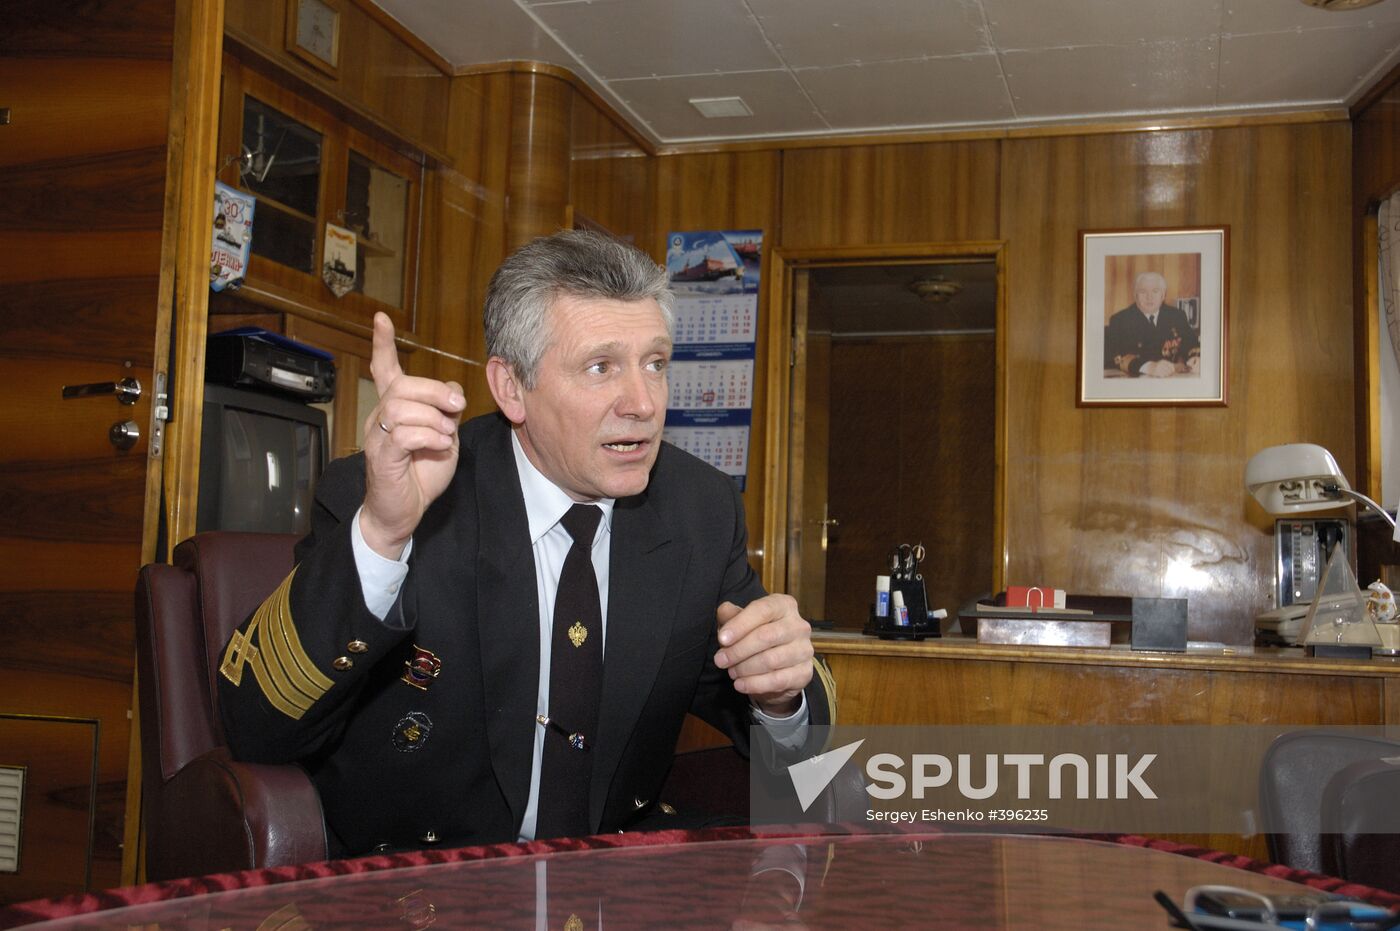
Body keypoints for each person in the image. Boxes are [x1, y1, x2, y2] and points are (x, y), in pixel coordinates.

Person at [217, 230, 831, 856]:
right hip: (428, 885)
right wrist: (382, 534)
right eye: (601, 367)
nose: (644, 403)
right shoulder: (402, 494)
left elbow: (794, 742)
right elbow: (257, 731)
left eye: (655, 364)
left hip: (612, 879)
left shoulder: (699, 509)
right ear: (512, 388)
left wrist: (782, 695)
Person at [1103, 271, 1200, 377]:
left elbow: (1192, 343)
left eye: (1155, 291)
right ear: (1135, 296)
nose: (1149, 297)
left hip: (1173, 378)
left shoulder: (1177, 316)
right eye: (1143, 292)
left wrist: (1195, 358)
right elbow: (1117, 357)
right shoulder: (1120, 320)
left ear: (1163, 295)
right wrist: (1148, 367)